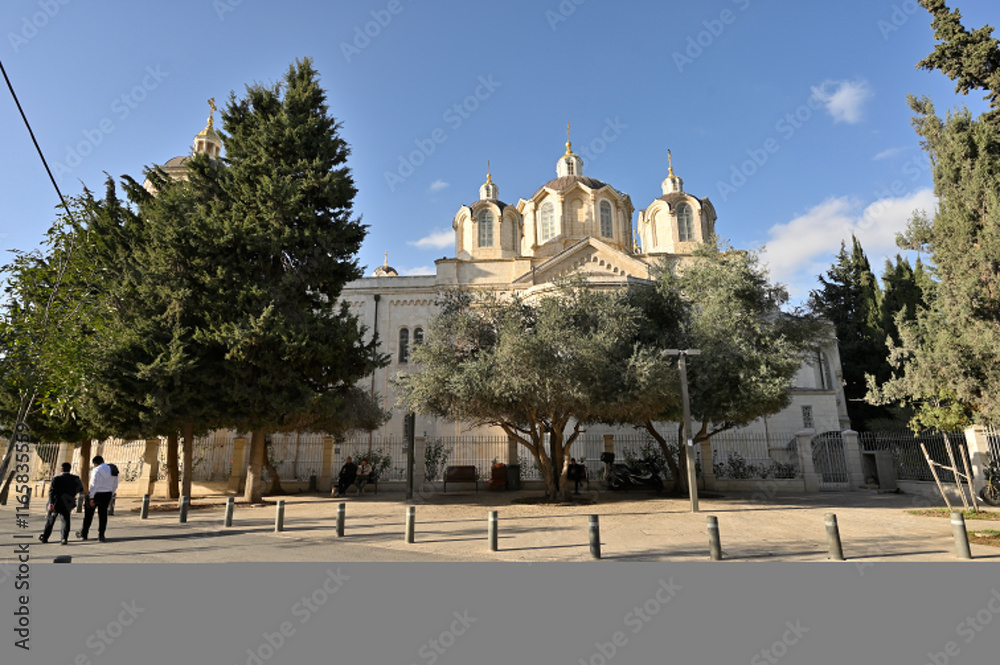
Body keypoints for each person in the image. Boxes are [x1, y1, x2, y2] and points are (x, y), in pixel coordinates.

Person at [39, 463, 83, 545]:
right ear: (70, 469)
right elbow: (80, 489)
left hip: (56, 502)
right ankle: (64, 538)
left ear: (61, 469)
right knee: (66, 520)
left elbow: (51, 492)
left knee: (51, 520)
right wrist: (72, 495)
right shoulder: (75, 478)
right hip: (68, 503)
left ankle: (45, 537)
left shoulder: (56, 479)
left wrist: (51, 503)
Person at [77, 455, 119, 542]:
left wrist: (91, 497)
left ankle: (84, 534)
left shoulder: (96, 470)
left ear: (95, 463)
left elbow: (93, 484)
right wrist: (112, 493)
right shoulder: (113, 468)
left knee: (88, 515)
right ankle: (101, 535)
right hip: (107, 493)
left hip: (96, 494)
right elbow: (115, 483)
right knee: (103, 515)